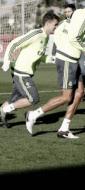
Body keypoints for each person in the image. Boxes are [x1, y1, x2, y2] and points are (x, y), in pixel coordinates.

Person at [0, 12, 59, 128]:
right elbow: (14, 43)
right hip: (21, 72)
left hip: (24, 72)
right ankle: (4, 110)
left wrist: (51, 59)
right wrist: (7, 61)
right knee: (33, 98)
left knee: (14, 98)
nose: (56, 27)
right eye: (55, 24)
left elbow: (38, 56)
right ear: (48, 23)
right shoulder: (35, 34)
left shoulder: (45, 38)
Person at [26, 7, 85, 138]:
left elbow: (60, 31)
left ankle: (64, 129)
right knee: (66, 97)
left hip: (74, 60)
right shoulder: (81, 16)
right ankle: (33, 115)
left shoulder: (73, 17)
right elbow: (74, 38)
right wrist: (63, 51)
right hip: (67, 60)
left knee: (80, 93)